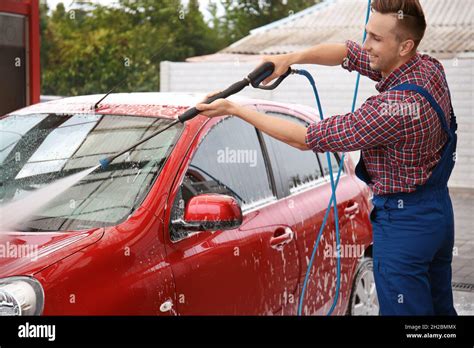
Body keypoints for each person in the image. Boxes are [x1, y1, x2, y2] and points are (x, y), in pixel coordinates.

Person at [195, 0, 458, 316]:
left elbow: (306, 138)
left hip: (405, 226)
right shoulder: (428, 68)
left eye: (376, 38)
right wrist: (289, 59)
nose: (366, 45)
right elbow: (347, 53)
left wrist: (236, 110)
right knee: (440, 314)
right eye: (367, 34)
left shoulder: (391, 111)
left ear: (405, 46)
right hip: (437, 214)